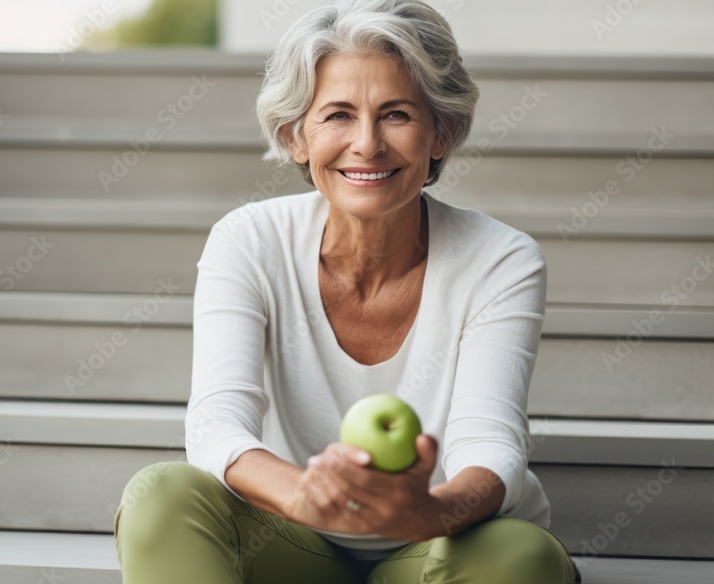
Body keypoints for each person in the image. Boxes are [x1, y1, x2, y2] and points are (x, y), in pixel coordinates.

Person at [114, 0, 581, 582]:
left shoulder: (501, 260)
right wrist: (305, 495)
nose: (366, 144)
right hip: (294, 542)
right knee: (161, 493)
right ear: (295, 137)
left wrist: (428, 511)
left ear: (443, 132)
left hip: (437, 545)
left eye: (397, 115)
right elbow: (216, 425)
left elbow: (491, 445)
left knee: (521, 556)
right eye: (337, 114)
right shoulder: (249, 240)